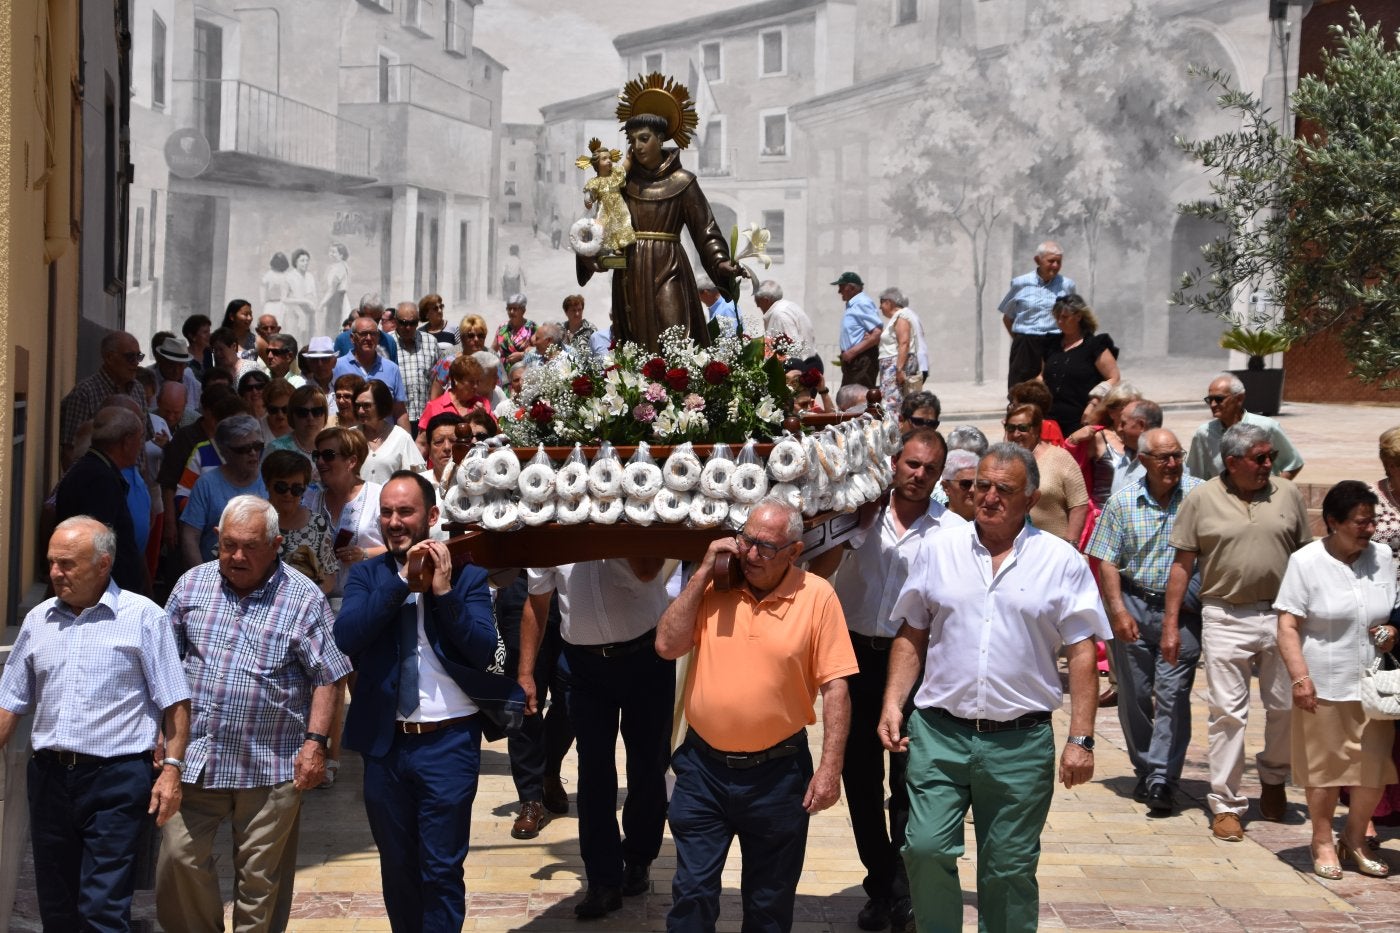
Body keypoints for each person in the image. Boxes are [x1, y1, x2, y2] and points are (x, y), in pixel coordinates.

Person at [880, 443, 1110, 932]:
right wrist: (892, 703)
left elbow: (1083, 650)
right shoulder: (938, 550)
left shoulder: (1059, 561)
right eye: (979, 485)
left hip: (1019, 744)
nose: (987, 497)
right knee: (923, 847)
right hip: (939, 734)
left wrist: (1081, 739)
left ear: (1030, 499)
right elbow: (912, 631)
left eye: (1002, 489)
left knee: (1008, 868)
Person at [656, 498, 857, 932]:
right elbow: (667, 646)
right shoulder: (713, 587)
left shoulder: (817, 596)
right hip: (703, 769)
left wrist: (830, 768)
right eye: (746, 540)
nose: (750, 554)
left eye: (765, 548)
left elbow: (836, 686)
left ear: (794, 552)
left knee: (769, 904)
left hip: (778, 775)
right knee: (692, 894)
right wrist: (703, 572)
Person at [335, 471, 521, 931]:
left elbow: (483, 649)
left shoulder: (469, 577)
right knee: (397, 869)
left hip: (449, 741)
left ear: (432, 517)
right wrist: (401, 582)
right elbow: (347, 635)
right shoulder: (366, 575)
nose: (394, 522)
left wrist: (442, 592)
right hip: (385, 746)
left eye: (405, 512)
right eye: (386, 513)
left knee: (440, 869)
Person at [158, 496, 351, 931]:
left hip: (271, 764)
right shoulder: (190, 586)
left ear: (276, 544)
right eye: (228, 545)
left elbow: (327, 676)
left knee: (259, 883)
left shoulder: (303, 599)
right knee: (178, 858)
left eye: (249, 546)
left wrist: (315, 745)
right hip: (195, 761)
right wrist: (160, 738)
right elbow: (163, 668)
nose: (237, 556)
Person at [0, 517, 190, 931]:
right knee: (57, 905)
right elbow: (9, 702)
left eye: (67, 564)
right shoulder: (38, 620)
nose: (55, 573)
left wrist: (171, 772)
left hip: (117, 779)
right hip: (50, 776)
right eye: (52, 563)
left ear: (103, 565)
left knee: (102, 907)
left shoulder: (143, 618)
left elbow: (175, 703)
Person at [827, 430, 964, 932]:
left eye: (929, 468)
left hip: (915, 666)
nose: (918, 475)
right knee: (859, 783)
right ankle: (880, 885)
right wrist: (856, 530)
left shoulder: (952, 532)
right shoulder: (855, 516)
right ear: (893, 462)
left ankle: (904, 892)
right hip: (855, 657)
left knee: (910, 784)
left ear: (941, 473)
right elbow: (816, 569)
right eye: (911, 464)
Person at [1164, 422, 1312, 841]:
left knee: (1284, 707)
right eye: (1261, 458)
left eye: (1271, 457)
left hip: (1282, 618)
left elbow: (1306, 558)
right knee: (1227, 714)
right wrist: (1171, 625)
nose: (1270, 464)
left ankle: (1273, 777)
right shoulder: (1201, 498)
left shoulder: (1288, 494)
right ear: (1232, 462)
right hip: (1224, 616)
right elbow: (1182, 565)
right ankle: (1226, 804)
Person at [518, 557, 672, 919]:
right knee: (594, 772)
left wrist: (605, 541)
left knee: (649, 767)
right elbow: (537, 602)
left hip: (646, 658)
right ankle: (602, 880)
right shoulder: (552, 534)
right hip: (582, 668)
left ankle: (638, 855)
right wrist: (525, 673)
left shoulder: (632, 514)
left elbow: (648, 569)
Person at [1276, 481, 1397, 879]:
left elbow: (1388, 616)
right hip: (1324, 683)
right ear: (1332, 522)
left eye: (1372, 521)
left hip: (1373, 687)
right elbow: (1288, 625)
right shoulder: (1306, 562)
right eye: (1361, 523)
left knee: (1372, 771)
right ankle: (1323, 840)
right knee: (1325, 773)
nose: (1369, 530)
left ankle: (1356, 838)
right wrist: (1300, 679)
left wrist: (1390, 633)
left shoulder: (1383, 557)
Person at [1084, 428, 1203, 814]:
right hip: (1133, 603)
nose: (1172, 464)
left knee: (1172, 695)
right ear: (1144, 461)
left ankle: (1161, 780)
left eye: (1177, 456)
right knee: (1134, 696)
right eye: (1163, 458)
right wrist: (1116, 610)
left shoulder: (1200, 496)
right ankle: (1145, 767)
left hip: (1182, 612)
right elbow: (1106, 560)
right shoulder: (1122, 503)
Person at [580, 83, 741, 351]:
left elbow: (706, 231)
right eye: (632, 141)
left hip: (669, 266)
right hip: (629, 271)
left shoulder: (683, 182)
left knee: (675, 332)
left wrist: (720, 263)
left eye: (644, 138)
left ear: (661, 138)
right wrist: (588, 253)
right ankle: (642, 393)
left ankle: (683, 390)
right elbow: (601, 225)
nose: (638, 146)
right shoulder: (622, 184)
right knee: (635, 345)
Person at [54, 406, 152, 595]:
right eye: (140, 439)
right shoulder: (98, 478)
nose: (141, 446)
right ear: (126, 442)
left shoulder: (96, 471)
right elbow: (97, 547)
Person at [180, 414, 268, 567]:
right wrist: (201, 579)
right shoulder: (206, 484)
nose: (253, 453)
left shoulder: (270, 480)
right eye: (244, 449)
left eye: (257, 446)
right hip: (216, 575)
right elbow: (190, 536)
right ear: (225, 452)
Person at [1185, 373, 1304, 480]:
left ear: (1239, 399)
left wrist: (1276, 491)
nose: (1213, 404)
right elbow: (1195, 476)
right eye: (1209, 400)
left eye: (1219, 399)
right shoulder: (1204, 433)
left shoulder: (1267, 427)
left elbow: (1293, 463)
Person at [314, 425, 386, 599]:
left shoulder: (378, 496)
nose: (320, 462)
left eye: (328, 455)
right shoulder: (313, 500)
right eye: (317, 456)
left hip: (370, 596)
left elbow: (401, 548)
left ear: (351, 461)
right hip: (323, 602)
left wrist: (364, 554)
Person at [59, 330, 149, 471]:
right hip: (97, 480)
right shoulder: (84, 393)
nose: (136, 363)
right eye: (130, 357)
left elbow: (142, 445)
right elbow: (70, 450)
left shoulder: (138, 390)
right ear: (109, 358)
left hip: (133, 480)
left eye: (139, 357)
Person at [1003, 403, 1089, 543]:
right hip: (1013, 546)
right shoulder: (1003, 461)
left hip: (1055, 547)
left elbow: (1079, 505)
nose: (1016, 434)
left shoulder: (1061, 458)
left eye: (1022, 428)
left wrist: (1071, 544)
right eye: (1011, 428)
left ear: (1036, 429)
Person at [998, 240, 1074, 389]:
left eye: (1058, 262)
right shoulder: (1020, 283)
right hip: (1026, 344)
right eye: (1051, 261)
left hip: (1054, 342)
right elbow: (1008, 317)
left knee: (1054, 387)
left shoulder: (1067, 285)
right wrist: (1020, 340)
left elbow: (1072, 315)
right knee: (1020, 389)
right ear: (1037, 260)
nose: (1055, 266)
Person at [263, 449, 339, 596]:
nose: (288, 494)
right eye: (281, 487)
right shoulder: (249, 520)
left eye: (297, 489)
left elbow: (329, 574)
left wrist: (307, 600)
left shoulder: (317, 523)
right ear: (267, 484)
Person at [1041, 294, 1120, 433]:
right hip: (1050, 419)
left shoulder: (1094, 345)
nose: (1059, 321)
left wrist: (1094, 404)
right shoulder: (1050, 344)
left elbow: (1114, 378)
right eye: (1057, 317)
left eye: (1064, 317)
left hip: (1082, 419)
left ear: (1078, 316)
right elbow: (1041, 376)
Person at [336, 313, 408, 424]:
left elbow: (399, 411)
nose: (369, 338)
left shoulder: (391, 369)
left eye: (373, 334)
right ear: (352, 338)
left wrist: (407, 440)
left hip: (384, 438)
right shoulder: (337, 367)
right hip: (349, 438)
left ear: (378, 337)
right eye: (363, 334)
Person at [357, 379, 426, 484]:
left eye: (366, 406)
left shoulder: (401, 437)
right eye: (358, 406)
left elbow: (419, 477)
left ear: (381, 405)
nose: (360, 411)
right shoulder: (349, 436)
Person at [391, 300, 446, 430]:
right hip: (396, 419)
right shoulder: (388, 343)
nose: (408, 327)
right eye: (404, 323)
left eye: (413, 323)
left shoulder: (430, 342)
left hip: (426, 418)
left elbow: (439, 379)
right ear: (396, 321)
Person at [833, 272, 882, 388]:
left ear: (851, 288)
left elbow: (877, 333)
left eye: (841, 287)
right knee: (848, 398)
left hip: (861, 360)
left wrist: (852, 352)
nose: (839, 291)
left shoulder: (862, 303)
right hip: (854, 360)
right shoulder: (854, 304)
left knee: (857, 398)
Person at [756, 280, 819, 370]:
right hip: (807, 362)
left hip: (799, 368)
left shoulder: (780, 315)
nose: (757, 305)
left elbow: (792, 349)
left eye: (758, 301)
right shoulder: (787, 306)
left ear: (766, 300)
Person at [419, 355, 490, 433]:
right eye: (471, 382)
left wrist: (484, 417)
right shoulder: (434, 407)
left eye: (478, 381)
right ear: (456, 380)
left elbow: (497, 433)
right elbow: (421, 443)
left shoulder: (483, 404)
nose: (476, 386)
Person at [877, 287, 919, 416]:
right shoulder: (898, 317)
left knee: (893, 404)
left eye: (882, 302)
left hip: (894, 367)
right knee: (892, 402)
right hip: (890, 366)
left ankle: (895, 432)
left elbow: (904, 343)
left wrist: (899, 369)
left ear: (889, 302)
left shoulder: (901, 317)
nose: (880, 307)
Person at [149, 334, 203, 412]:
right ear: (161, 361)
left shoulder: (194, 386)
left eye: (181, 365)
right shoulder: (148, 381)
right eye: (171, 364)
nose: (176, 370)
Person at [284, 248, 319, 339]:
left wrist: (313, 304)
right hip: (294, 313)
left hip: (309, 313)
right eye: (302, 261)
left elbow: (314, 295)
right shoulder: (289, 277)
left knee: (309, 340)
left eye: (307, 260)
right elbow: (284, 299)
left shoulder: (310, 276)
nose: (305, 263)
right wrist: (304, 301)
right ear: (296, 262)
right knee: (295, 339)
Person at [495, 294, 536, 369]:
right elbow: (493, 350)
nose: (511, 311)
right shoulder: (502, 328)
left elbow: (540, 350)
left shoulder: (532, 327)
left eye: (515, 309)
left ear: (523, 310)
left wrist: (522, 355)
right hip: (504, 373)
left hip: (524, 371)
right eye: (509, 309)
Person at [939, 449, 980, 521]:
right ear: (946, 487)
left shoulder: (990, 525)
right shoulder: (934, 524)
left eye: (978, 483)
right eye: (965, 484)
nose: (973, 489)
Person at [321, 242, 351, 332]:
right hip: (333, 299)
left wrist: (322, 303)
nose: (331, 254)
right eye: (330, 252)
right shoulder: (333, 267)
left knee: (335, 324)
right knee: (330, 324)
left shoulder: (340, 267)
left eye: (334, 252)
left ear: (341, 255)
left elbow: (333, 288)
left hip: (338, 299)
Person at [262, 377, 295, 444]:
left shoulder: (301, 425)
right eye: (273, 410)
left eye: (285, 409)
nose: (280, 415)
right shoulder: (258, 430)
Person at [182, 313, 214, 379]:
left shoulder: (211, 354)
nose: (209, 335)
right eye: (205, 332)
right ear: (192, 336)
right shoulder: (182, 356)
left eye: (209, 331)